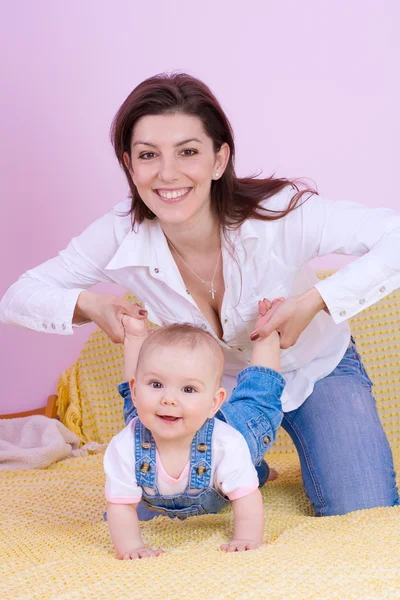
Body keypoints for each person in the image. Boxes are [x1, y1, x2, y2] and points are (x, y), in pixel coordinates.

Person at [1, 72, 399, 517]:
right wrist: (88, 304)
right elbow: (17, 298)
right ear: (129, 165)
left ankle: (249, 461)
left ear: (218, 158)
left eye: (187, 152)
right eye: (148, 155)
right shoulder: (119, 232)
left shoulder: (280, 215)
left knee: (362, 508)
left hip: (315, 368)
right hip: (210, 390)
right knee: (161, 501)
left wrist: (314, 302)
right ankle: (247, 465)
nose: (168, 174)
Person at [104, 305, 284, 559]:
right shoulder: (124, 446)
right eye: (157, 384)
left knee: (258, 400)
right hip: (151, 426)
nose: (168, 399)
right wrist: (132, 547)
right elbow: (121, 506)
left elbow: (247, 499)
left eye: (188, 389)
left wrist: (246, 538)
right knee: (137, 408)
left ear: (213, 402)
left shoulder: (228, 443)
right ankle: (136, 346)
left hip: (238, 433)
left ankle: (267, 336)